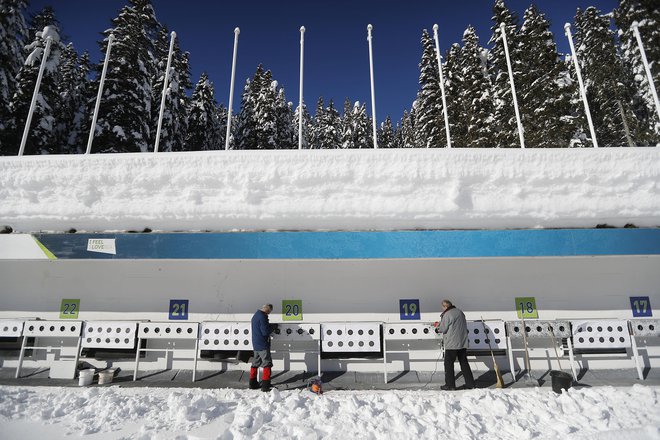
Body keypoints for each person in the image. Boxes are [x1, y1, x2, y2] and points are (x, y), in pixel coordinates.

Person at [434, 299, 475, 390]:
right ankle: (470, 384)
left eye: (442, 307)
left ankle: (450, 385)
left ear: (445, 306)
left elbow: (443, 329)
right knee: (464, 363)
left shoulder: (447, 314)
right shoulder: (460, 312)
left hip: (452, 343)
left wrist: (437, 327)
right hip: (462, 342)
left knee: (448, 364)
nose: (442, 309)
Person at [249, 304, 278, 391]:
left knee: (255, 363)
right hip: (263, 344)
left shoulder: (255, 315)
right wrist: (273, 326)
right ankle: (265, 386)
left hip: (256, 344)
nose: (269, 314)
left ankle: (253, 384)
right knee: (267, 363)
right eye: (269, 312)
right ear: (267, 310)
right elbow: (265, 332)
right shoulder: (263, 317)